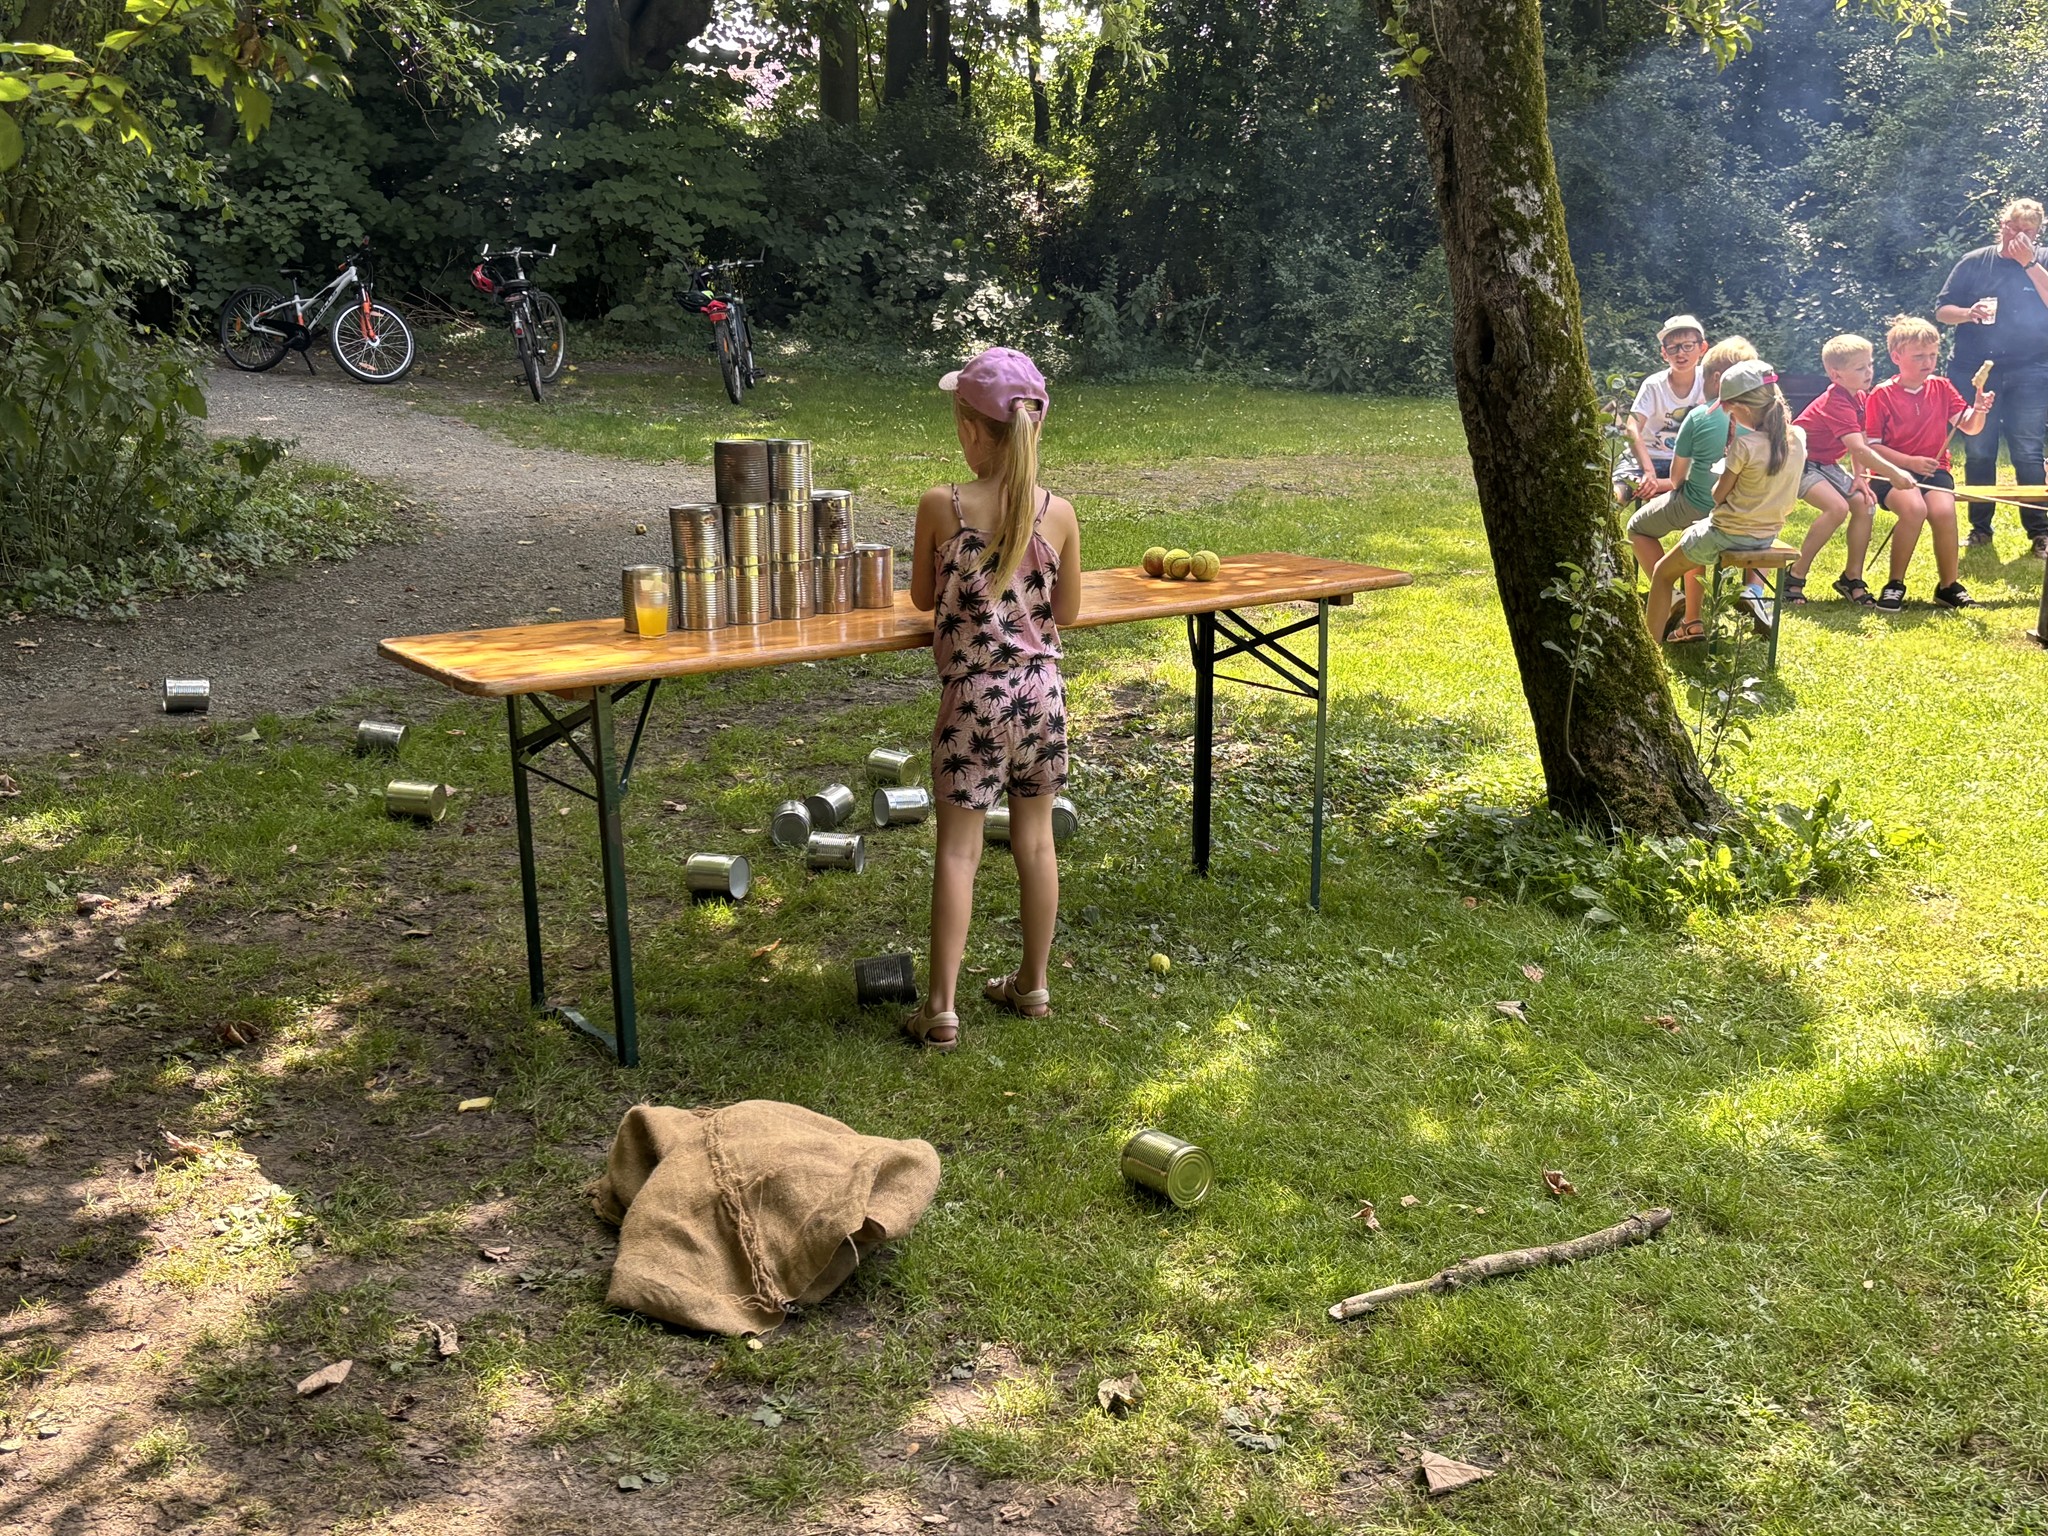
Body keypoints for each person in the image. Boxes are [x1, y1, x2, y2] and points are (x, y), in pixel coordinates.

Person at [904, 346, 1082, 1052]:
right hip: (1043, 696)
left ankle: (941, 1009)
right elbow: (1067, 611)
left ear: (971, 428)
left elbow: (922, 598)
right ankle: (1032, 985)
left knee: (959, 852)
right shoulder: (1059, 513)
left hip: (974, 699)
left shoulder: (941, 506)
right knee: (1037, 842)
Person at [1644, 360, 1805, 645]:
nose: (1730, 417)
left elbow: (1717, 496)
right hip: (1766, 534)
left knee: (1662, 573)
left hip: (1728, 533)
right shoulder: (1798, 438)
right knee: (1692, 535)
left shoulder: (1744, 446)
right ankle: (1698, 619)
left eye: (1730, 411)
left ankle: (1649, 649)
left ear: (1743, 408)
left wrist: (1726, 467)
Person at [1934, 198, 2048, 555]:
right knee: (1979, 448)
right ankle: (1980, 529)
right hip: (1974, 368)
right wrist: (1968, 313)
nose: (2019, 236)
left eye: (2027, 231)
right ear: (2002, 225)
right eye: (2013, 228)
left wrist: (2029, 263)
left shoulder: (2042, 260)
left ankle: (2040, 532)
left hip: (2030, 368)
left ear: (2037, 232)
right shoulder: (1974, 261)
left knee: (2027, 450)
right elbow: (1942, 311)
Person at [1864, 315, 1995, 612]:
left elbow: (1969, 427)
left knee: (1944, 511)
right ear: (1896, 357)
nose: (1928, 362)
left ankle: (1948, 586)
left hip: (1935, 471)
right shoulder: (1881, 394)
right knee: (1914, 509)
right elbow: (1872, 447)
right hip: (1891, 473)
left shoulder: (1942, 387)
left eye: (1933, 355)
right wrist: (1908, 462)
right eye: (1919, 356)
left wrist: (1979, 410)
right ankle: (1895, 584)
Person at [1627, 336, 1755, 633]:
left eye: (1704, 379)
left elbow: (1676, 479)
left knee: (1637, 528)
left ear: (1716, 379)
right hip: (1747, 513)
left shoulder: (1700, 415)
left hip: (1699, 505)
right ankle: (1695, 619)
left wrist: (1658, 485)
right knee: (1695, 533)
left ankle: (1674, 596)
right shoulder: (1764, 417)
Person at [1784, 334, 1912, 606]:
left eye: (1870, 365)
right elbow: (1859, 448)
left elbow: (1860, 440)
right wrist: (1894, 473)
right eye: (1860, 368)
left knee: (1865, 504)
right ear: (1836, 375)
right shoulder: (1836, 402)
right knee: (1837, 508)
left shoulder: (1860, 397)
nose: (1869, 372)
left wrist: (1860, 477)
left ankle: (1851, 578)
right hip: (1798, 463)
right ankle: (1794, 576)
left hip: (1826, 463)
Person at [1613, 314, 1708, 505]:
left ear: (1702, 348)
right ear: (1664, 353)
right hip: (1646, 459)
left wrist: (1658, 483)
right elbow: (1632, 427)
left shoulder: (1709, 382)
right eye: (1673, 347)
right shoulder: (1654, 385)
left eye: (1688, 346)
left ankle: (1660, 487)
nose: (1680, 353)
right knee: (1615, 494)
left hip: (1687, 463)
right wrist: (1649, 472)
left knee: (1712, 483)